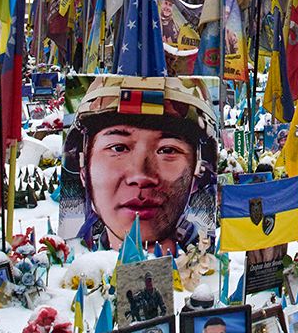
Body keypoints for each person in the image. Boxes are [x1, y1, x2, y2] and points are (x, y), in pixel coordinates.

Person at [75, 77, 219, 253]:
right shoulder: (68, 260)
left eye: (167, 150)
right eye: (118, 148)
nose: (141, 176)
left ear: (198, 170)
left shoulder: (215, 267)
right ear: (84, 169)